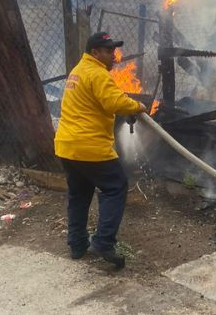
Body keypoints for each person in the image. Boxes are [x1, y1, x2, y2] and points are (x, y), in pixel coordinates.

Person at [54, 32, 146, 269]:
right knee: (116, 187)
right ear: (95, 53)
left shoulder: (77, 71)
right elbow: (114, 102)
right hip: (90, 146)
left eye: (113, 51)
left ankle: (77, 244)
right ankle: (104, 242)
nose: (114, 57)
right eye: (108, 51)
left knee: (79, 193)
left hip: (67, 146)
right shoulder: (97, 73)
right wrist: (138, 106)